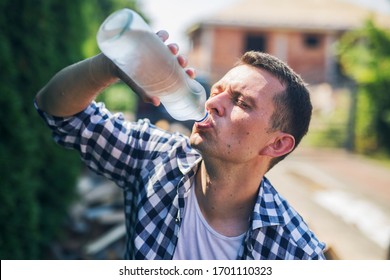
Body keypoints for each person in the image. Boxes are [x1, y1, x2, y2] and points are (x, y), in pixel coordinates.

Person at [35, 30, 326, 260]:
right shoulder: (157, 159)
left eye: (240, 102)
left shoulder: (296, 253)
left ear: (277, 144)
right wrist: (109, 66)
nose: (212, 103)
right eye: (217, 91)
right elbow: (60, 114)